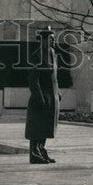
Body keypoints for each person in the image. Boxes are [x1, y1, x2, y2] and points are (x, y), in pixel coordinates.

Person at [25, 26, 60, 164]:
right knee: (37, 127)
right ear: (44, 40)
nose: (53, 41)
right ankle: (34, 153)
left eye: (53, 38)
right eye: (51, 39)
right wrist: (39, 97)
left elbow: (54, 77)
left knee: (46, 126)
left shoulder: (52, 53)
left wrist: (58, 92)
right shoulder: (37, 55)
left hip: (51, 97)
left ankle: (41, 149)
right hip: (41, 97)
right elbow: (33, 79)